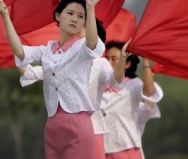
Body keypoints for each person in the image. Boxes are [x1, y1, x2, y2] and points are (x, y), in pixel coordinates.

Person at [0, 0, 129, 159]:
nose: (74, 19)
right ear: (58, 15)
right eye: (70, 13)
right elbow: (20, 52)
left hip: (78, 125)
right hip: (53, 127)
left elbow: (92, 44)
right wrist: (5, 16)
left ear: (84, 23)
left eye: (80, 17)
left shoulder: (83, 50)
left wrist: (90, 8)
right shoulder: (47, 51)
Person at [17, 19, 128, 159]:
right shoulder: (60, 62)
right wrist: (14, 45)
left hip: (92, 129)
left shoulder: (100, 63)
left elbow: (115, 81)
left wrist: (122, 59)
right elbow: (28, 73)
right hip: (63, 130)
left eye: (81, 30)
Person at [102, 41, 164, 159]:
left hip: (127, 149)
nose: (109, 62)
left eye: (114, 58)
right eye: (106, 58)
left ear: (127, 64)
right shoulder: (99, 86)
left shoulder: (133, 85)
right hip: (101, 150)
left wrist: (145, 62)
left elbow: (149, 92)